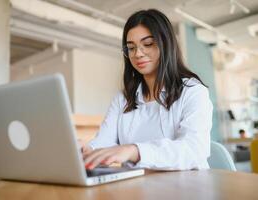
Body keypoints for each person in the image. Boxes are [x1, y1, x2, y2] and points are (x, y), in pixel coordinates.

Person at [81, 9, 213, 171]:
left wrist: (135, 151)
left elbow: (194, 150)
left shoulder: (193, 91)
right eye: (131, 48)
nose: (138, 54)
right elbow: (104, 141)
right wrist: (89, 150)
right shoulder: (123, 98)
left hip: (188, 186)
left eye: (148, 44)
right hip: (138, 187)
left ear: (166, 44)